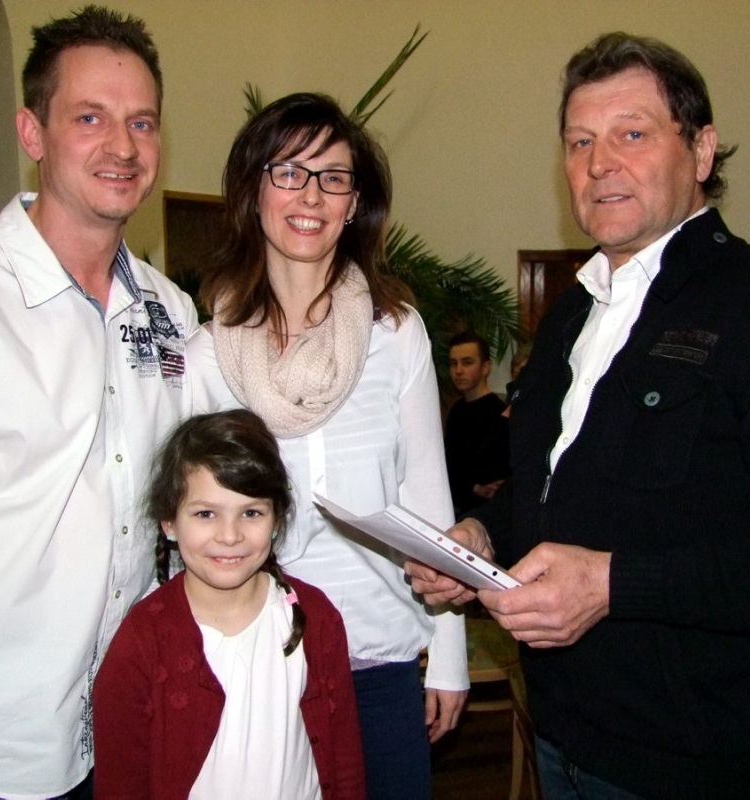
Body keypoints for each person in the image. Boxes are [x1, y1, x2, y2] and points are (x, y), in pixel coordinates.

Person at [408, 32, 750, 799]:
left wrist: (616, 585)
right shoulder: (574, 312)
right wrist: (482, 536)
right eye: (579, 141)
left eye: (631, 134)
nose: (598, 161)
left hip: (697, 761)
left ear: (702, 150)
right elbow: (552, 495)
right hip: (562, 735)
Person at [0, 7, 198, 799]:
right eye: (89, 117)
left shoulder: (169, 313)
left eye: (142, 122)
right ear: (32, 133)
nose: (121, 146)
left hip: (133, 727)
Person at [189, 92, 468, 799]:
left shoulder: (393, 332)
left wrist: (449, 656)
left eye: (333, 176)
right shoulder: (204, 356)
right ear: (253, 192)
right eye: (288, 171)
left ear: (354, 204)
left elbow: (426, 497)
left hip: (377, 658)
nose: (311, 194)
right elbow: (184, 529)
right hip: (251, 660)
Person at [93, 410, 365, 799]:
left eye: (251, 512)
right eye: (206, 514)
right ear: (169, 522)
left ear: (277, 519)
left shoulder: (316, 618)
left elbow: (346, 760)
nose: (230, 535)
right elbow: (120, 785)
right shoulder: (140, 642)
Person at [444, 330, 509, 514]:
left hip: (487, 516)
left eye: (467, 362)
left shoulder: (501, 413)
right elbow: (450, 467)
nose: (458, 370)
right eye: (453, 363)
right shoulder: (457, 411)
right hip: (458, 510)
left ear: (486, 367)